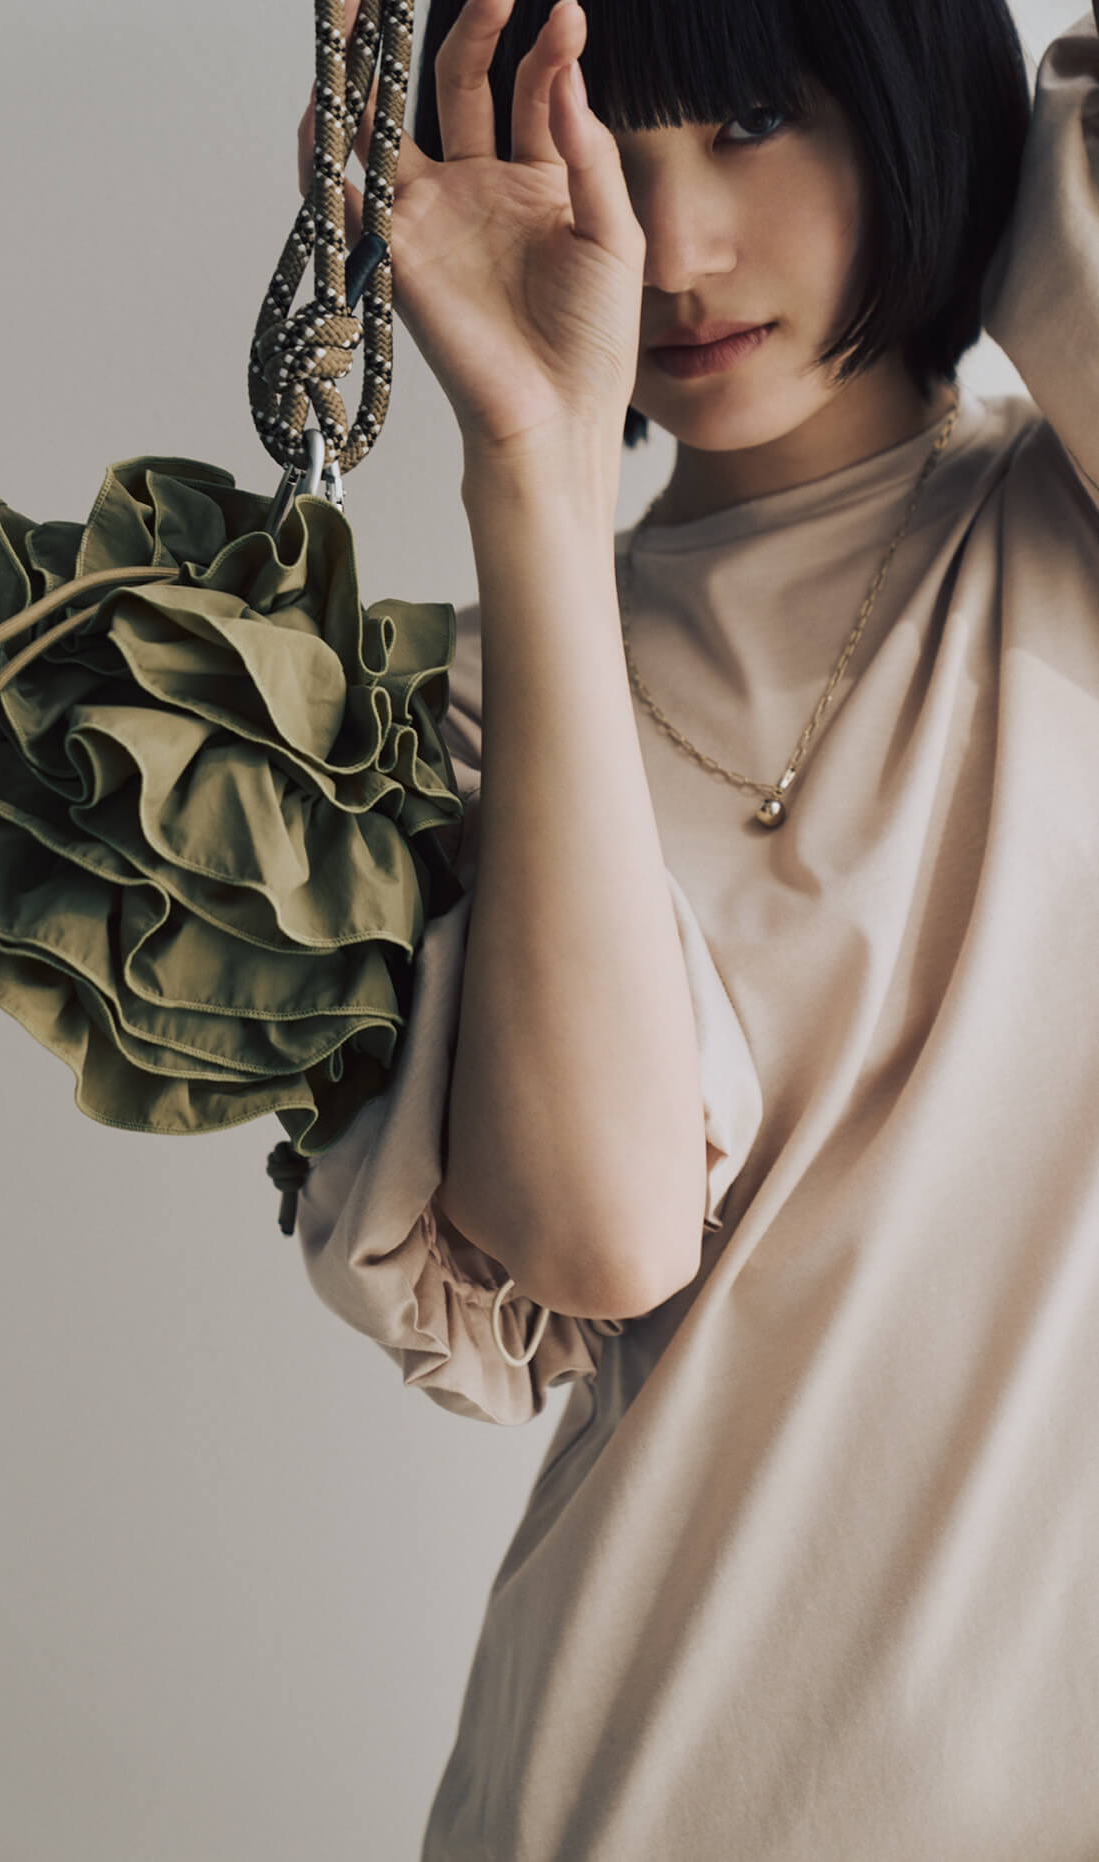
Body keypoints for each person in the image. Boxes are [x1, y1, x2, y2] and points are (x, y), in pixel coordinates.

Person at [293, 0, 1099, 1853]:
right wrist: (537, 467)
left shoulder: (1062, 515)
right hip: (640, 1783)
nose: (670, 247)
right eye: (594, 148)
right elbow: (599, 1233)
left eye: (747, 123)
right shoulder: (465, 710)